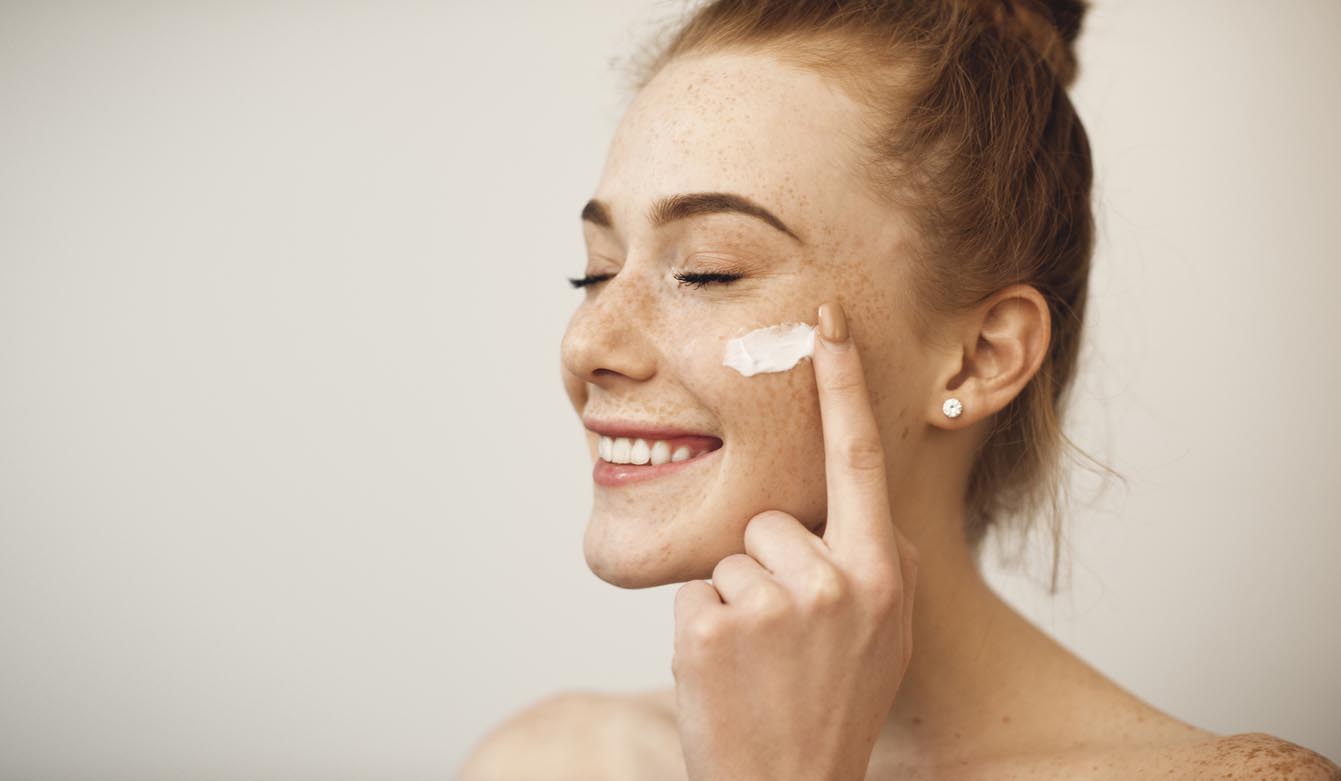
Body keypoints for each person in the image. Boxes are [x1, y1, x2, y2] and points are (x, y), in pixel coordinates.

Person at [461, 0, 1341, 777]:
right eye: (596, 272)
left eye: (707, 272)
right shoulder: (545, 761)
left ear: (980, 357)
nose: (587, 343)